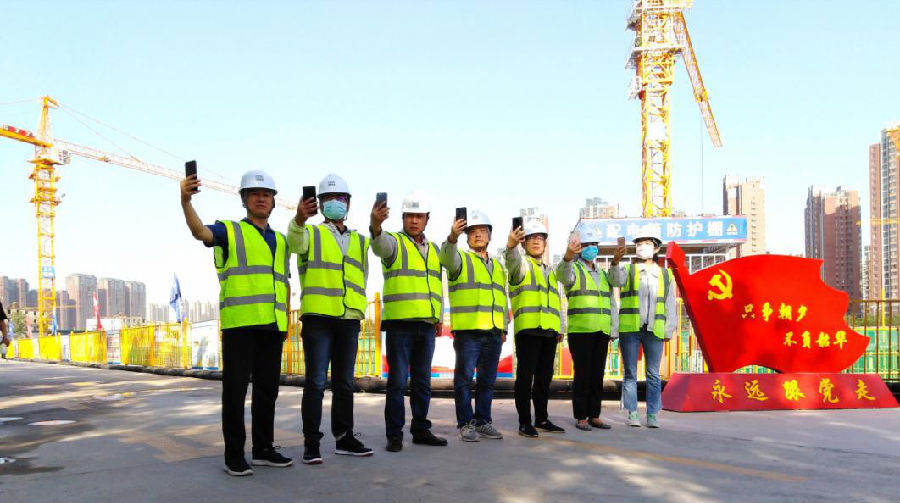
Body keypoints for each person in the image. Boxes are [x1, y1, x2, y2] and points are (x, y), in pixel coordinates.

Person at [180, 169, 292, 477]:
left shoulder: (281, 241)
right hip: (240, 325)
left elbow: (284, 283)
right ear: (244, 200)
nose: (261, 199)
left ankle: (263, 450)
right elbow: (200, 232)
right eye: (254, 194)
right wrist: (186, 201)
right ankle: (234, 455)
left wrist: (285, 322)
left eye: (266, 195)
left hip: (272, 327)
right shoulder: (229, 231)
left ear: (273, 201)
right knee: (235, 393)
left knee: (267, 392)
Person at [288, 173, 374, 464]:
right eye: (328, 198)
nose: (335, 202)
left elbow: (362, 276)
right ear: (320, 204)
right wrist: (299, 218)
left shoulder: (360, 241)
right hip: (318, 318)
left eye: (340, 198)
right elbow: (294, 242)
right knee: (315, 382)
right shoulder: (309, 233)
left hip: (349, 317)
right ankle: (311, 442)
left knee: (345, 383)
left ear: (348, 203)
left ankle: (344, 437)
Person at [370, 191, 448, 452]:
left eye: (419, 216)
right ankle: (394, 434)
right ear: (402, 218)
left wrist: (437, 318)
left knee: (423, 382)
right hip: (400, 324)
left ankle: (420, 430)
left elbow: (436, 286)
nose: (414, 220)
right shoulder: (393, 242)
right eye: (410, 216)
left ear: (427, 219)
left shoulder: (434, 250)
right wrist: (376, 224)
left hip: (426, 325)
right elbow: (379, 245)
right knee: (397, 382)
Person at [440, 209, 507, 442]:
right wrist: (452, 236)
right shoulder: (459, 258)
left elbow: (501, 297)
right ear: (466, 236)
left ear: (490, 235)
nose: (478, 235)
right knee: (464, 381)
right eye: (473, 231)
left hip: (493, 331)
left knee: (487, 382)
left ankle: (483, 421)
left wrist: (503, 327)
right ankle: (465, 423)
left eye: (482, 231)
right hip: (468, 331)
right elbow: (446, 258)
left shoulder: (498, 265)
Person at [608, 226, 677, 428]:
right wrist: (615, 261)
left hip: (654, 329)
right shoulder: (627, 270)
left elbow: (670, 304)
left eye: (647, 243)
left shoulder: (665, 274)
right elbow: (614, 280)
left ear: (656, 249)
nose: (642, 246)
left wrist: (669, 328)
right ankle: (632, 412)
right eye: (639, 243)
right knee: (630, 373)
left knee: (653, 374)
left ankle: (653, 413)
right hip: (630, 328)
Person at [504, 219, 565, 437]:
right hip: (528, 329)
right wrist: (511, 245)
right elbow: (511, 261)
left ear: (546, 243)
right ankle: (524, 422)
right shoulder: (521, 265)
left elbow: (556, 300)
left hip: (549, 330)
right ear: (524, 243)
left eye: (540, 238)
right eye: (531, 238)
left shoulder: (551, 271)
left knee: (544, 377)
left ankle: (542, 418)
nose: (536, 242)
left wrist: (560, 327)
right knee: (525, 377)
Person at [556, 227, 617, 431]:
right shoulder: (573, 268)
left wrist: (613, 329)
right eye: (588, 245)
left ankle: (594, 415)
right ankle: (581, 416)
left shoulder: (602, 273)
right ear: (579, 248)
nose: (592, 248)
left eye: (595, 245)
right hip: (581, 330)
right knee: (583, 374)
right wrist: (568, 256)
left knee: (597, 375)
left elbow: (611, 300)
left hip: (601, 330)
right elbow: (562, 275)